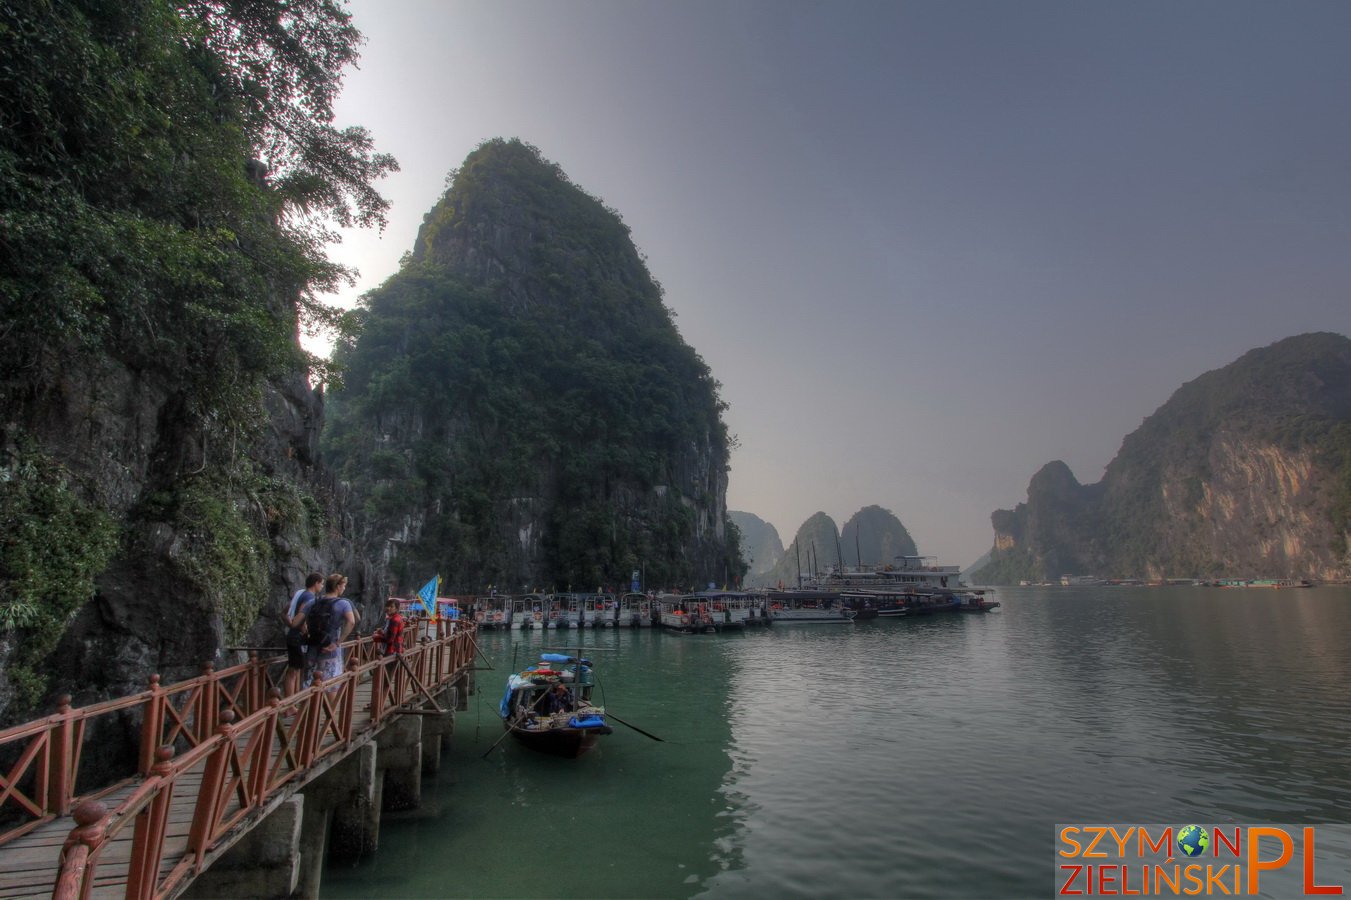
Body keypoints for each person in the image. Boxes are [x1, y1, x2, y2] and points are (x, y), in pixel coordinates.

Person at [292, 573, 356, 688]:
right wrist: (338, 642)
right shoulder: (343, 603)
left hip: (312, 648)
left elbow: (295, 622)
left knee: (309, 685)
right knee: (331, 686)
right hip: (330, 649)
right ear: (337, 586)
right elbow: (351, 622)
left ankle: (308, 706)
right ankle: (330, 706)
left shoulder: (313, 602)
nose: (344, 588)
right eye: (343, 586)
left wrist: (305, 628)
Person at [282, 573, 323, 697]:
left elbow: (284, 613)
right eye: (321, 583)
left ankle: (294, 701)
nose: (322, 586)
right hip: (298, 638)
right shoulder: (309, 597)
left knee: (296, 669)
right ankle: (289, 705)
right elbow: (301, 615)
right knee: (293, 671)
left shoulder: (299, 593)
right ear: (316, 583)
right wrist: (301, 628)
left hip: (293, 636)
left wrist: (291, 626)